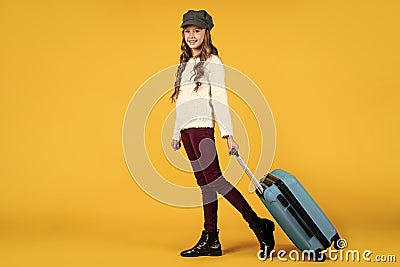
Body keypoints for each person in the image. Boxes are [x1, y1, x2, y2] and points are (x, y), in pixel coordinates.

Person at [170, 9, 275, 258]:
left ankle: (259, 225)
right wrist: (176, 133)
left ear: (206, 33)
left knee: (216, 180)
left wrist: (228, 134)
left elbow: (220, 99)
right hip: (187, 132)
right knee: (204, 184)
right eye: (187, 31)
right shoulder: (185, 63)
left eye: (196, 31)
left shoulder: (213, 63)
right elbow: (182, 102)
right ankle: (211, 239)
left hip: (203, 129)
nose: (191, 35)